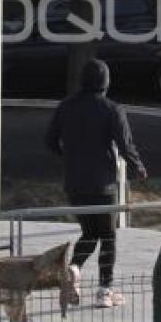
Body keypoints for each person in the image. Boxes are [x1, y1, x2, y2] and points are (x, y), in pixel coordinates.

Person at [45, 57, 146, 308]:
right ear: (106, 82)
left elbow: (49, 141)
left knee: (90, 232)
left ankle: (74, 270)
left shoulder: (65, 107)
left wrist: (68, 157)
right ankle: (104, 290)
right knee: (108, 236)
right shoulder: (112, 109)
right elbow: (125, 145)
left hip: (75, 184)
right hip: (103, 185)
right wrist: (138, 168)